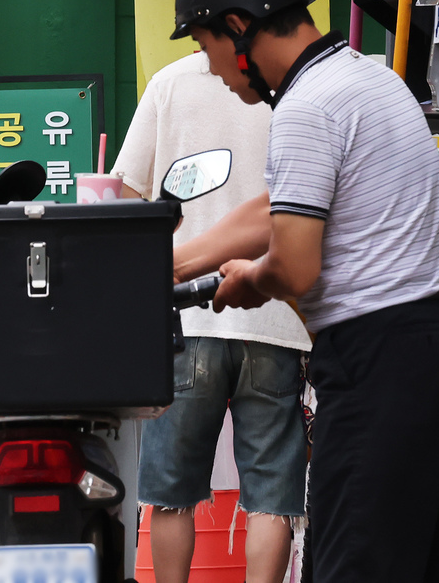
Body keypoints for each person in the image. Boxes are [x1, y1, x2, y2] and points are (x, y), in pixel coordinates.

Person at [170, 0, 439, 582]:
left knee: (355, 567)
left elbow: (294, 267)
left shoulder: (304, 107)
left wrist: (248, 283)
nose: (210, 67)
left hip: (385, 362)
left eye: (205, 44)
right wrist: (175, 262)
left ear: (238, 27)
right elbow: (278, 208)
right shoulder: (367, 78)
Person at [112, 49, 313, 583]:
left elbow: (127, 195)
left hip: (186, 318)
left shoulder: (168, 83)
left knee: (171, 492)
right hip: (275, 316)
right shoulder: (292, 86)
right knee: (272, 492)